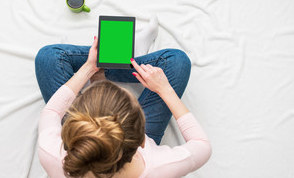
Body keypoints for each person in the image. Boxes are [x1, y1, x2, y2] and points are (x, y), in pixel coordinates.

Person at [35, 22, 212, 178]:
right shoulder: (158, 166)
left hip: (87, 141)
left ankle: (104, 67)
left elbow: (52, 111)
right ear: (142, 140)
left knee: (48, 58)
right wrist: (165, 90)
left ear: (74, 123)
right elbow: (201, 145)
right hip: (109, 141)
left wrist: (89, 68)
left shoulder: (53, 155)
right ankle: (126, 59)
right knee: (177, 61)